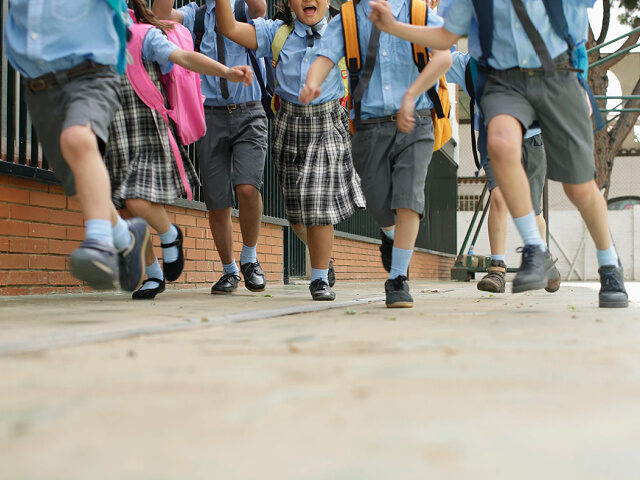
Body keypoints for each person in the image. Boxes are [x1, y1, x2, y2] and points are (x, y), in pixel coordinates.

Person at [368, 0, 628, 308]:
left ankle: (609, 264)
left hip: (558, 72)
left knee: (579, 188)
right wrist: (393, 26)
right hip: (504, 81)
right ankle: (534, 250)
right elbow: (444, 37)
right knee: (501, 144)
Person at [300, 1, 452, 308]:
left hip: (416, 119)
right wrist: (312, 83)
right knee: (378, 201)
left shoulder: (417, 12)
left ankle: (397, 279)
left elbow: (444, 55)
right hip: (369, 126)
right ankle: (391, 235)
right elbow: (325, 56)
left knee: (409, 195)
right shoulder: (348, 17)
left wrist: (412, 94)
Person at [213, 0, 365, 300]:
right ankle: (325, 258)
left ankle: (319, 279)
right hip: (288, 124)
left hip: (327, 122)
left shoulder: (343, 31)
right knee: (297, 217)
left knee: (319, 205)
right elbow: (228, 27)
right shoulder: (276, 34)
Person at [105, 0, 253, 300]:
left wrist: (226, 72)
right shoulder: (90, 47)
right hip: (112, 133)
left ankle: (170, 235)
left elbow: (185, 57)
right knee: (124, 210)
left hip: (146, 130)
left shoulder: (143, 35)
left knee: (137, 200)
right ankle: (154, 274)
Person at [5, 0, 150, 292]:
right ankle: (127, 237)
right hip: (40, 86)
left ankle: (99, 244)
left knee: (77, 139)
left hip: (92, 72)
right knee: (80, 185)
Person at [153, 0, 269, 295]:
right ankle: (229, 270)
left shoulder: (244, 9)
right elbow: (162, 16)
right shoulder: (196, 13)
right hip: (210, 115)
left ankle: (249, 258)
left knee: (248, 188)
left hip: (250, 111)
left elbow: (260, 8)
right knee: (218, 201)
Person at [446, 51, 560, 294]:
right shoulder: (469, 64)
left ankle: (543, 260)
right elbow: (431, 59)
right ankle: (497, 269)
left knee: (532, 209)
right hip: (494, 141)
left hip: (531, 140)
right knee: (498, 198)